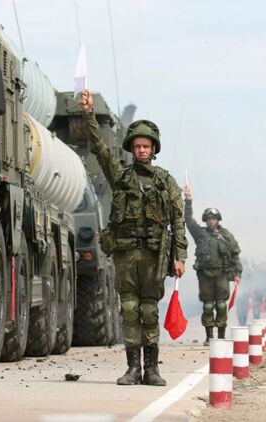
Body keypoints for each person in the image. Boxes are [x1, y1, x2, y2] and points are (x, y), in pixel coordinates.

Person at [79, 89, 187, 386]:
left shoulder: (166, 182)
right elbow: (99, 149)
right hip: (126, 255)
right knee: (129, 310)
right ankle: (132, 369)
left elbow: (178, 221)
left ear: (153, 149)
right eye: (137, 146)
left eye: (146, 146)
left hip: (153, 256)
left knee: (149, 311)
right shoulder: (122, 177)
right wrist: (88, 115)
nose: (141, 150)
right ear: (131, 148)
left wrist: (180, 256)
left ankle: (151, 369)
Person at [183, 186, 242, 346]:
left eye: (213, 219)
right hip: (205, 275)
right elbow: (188, 219)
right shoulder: (200, 234)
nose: (211, 221)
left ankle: (221, 336)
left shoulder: (226, 235)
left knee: (221, 305)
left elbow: (235, 254)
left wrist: (237, 273)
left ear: (218, 220)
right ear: (205, 220)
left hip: (222, 274)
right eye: (208, 219)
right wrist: (188, 200)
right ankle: (209, 337)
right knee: (208, 306)